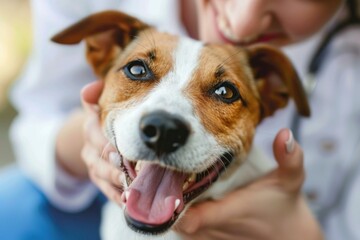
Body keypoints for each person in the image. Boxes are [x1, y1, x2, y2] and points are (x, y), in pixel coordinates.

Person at [1, 0, 359, 239]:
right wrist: (85, 138)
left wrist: (299, 231)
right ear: (104, 49)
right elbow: (36, 118)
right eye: (139, 70)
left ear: (271, 93)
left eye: (224, 92)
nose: (245, 18)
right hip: (86, 201)